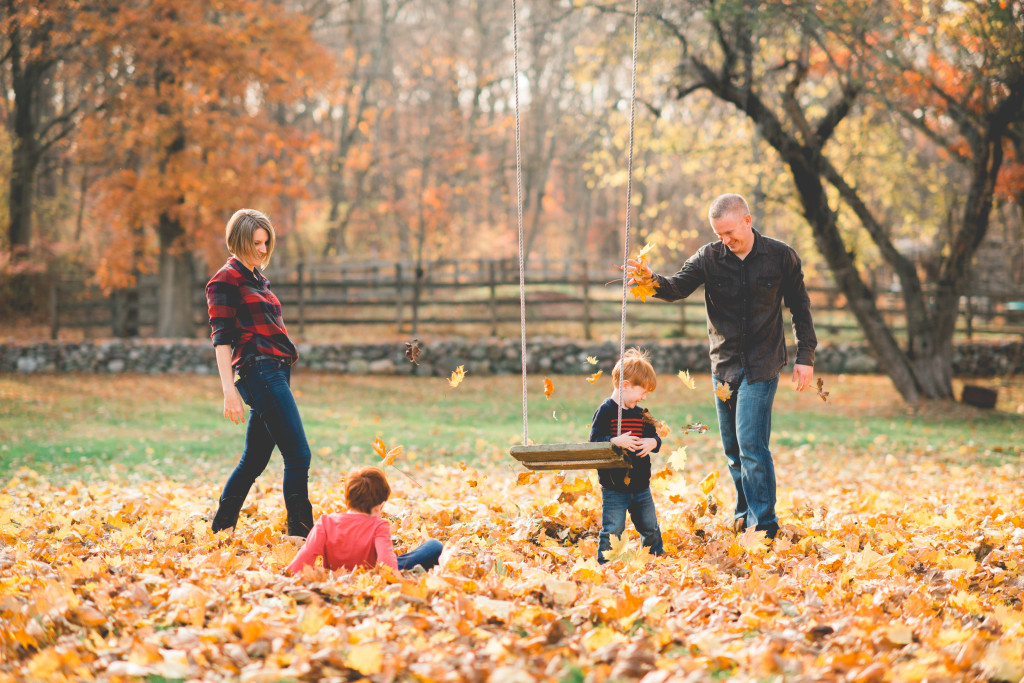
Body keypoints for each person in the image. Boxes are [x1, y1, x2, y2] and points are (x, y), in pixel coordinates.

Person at [627, 193, 816, 539]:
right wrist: (649, 279)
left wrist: (806, 357)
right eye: (718, 235)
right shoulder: (709, 257)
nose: (725, 241)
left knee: (751, 447)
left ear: (747, 220)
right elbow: (676, 288)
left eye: (730, 233)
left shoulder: (780, 256)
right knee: (733, 452)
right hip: (723, 367)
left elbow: (800, 308)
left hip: (763, 364)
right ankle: (744, 514)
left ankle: (765, 527)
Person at [206, 208, 315, 537]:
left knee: (253, 460)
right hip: (259, 371)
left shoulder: (258, 279)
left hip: (277, 371)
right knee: (298, 455)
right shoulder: (224, 281)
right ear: (238, 241)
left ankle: (220, 531)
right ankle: (301, 537)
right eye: (256, 243)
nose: (263, 250)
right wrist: (229, 391)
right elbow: (221, 341)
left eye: (266, 243)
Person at [287, 467, 443, 573]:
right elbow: (387, 566)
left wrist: (289, 575)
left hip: (338, 574)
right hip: (370, 574)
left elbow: (307, 554)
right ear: (377, 507)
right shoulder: (379, 526)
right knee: (434, 546)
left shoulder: (325, 522)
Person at [589, 348, 665, 563]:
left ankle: (654, 557)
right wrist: (614, 441)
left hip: (641, 485)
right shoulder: (606, 411)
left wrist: (653, 442)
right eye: (643, 391)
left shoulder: (642, 413)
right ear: (625, 386)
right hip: (614, 487)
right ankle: (606, 562)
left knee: (649, 525)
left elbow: (654, 437)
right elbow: (594, 441)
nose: (644, 396)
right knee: (613, 528)